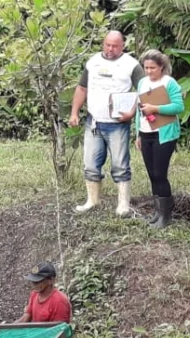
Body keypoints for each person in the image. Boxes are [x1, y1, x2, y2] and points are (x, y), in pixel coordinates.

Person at [69, 30, 146, 217]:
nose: (110, 49)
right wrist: (74, 113)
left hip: (118, 124)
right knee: (90, 163)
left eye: (115, 46)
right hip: (93, 121)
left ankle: (123, 204)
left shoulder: (131, 65)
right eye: (107, 45)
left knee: (120, 164)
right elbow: (81, 88)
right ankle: (92, 200)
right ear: (103, 44)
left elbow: (145, 91)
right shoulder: (93, 62)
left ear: (123, 46)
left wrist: (132, 113)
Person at [134, 49, 184, 229]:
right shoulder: (141, 83)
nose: (148, 71)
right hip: (146, 132)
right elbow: (139, 110)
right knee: (151, 174)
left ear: (161, 67)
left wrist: (155, 108)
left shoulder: (169, 83)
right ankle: (157, 212)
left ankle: (166, 215)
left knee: (160, 173)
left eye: (152, 68)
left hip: (164, 133)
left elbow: (178, 107)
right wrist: (137, 133)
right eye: (146, 67)